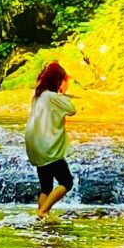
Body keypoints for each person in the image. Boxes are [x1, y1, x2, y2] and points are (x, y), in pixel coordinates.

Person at [25, 60, 77, 220]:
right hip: (48, 147)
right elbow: (72, 109)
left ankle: (41, 218)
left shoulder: (39, 96)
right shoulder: (51, 97)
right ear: (59, 81)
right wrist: (62, 92)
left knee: (46, 187)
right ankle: (43, 212)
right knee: (67, 182)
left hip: (36, 147)